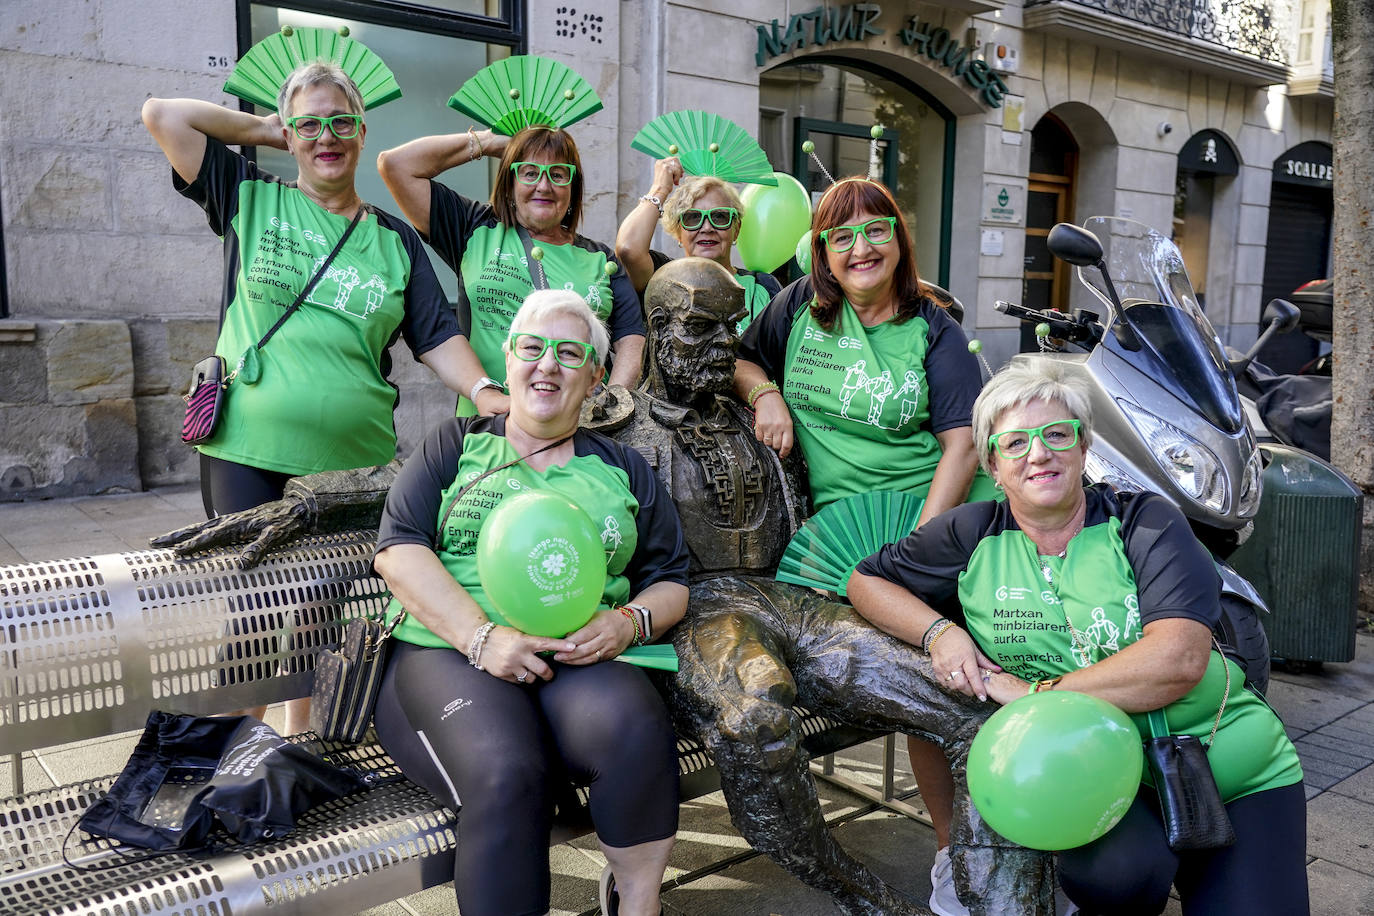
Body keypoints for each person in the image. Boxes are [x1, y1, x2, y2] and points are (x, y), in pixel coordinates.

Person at [152, 259, 1058, 916]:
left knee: (955, 700)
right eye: (687, 327)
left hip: (751, 605)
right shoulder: (571, 432)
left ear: (591, 372)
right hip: (603, 632)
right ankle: (859, 890)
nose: (713, 344)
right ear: (646, 344)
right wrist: (302, 506)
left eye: (726, 327)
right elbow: (396, 522)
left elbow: (874, 437)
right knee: (696, 730)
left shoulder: (746, 421)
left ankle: (990, 894)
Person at [849, 360, 1308, 916]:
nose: (1038, 454)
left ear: (1084, 447)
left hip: (1228, 764)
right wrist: (940, 632)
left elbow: (1178, 659)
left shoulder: (1145, 521)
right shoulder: (970, 533)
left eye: (1056, 434)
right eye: (1014, 443)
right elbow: (866, 581)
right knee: (1113, 879)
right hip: (1107, 779)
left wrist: (1037, 695)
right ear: (993, 464)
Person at [142, 60, 479, 730]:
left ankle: (293, 751)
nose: (327, 136)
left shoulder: (393, 240)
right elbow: (163, 115)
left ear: (361, 131)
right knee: (256, 616)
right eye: (310, 125)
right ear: (291, 137)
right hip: (248, 447)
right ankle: (224, 761)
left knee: (317, 614)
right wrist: (265, 129)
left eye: (341, 122)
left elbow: (438, 337)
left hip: (348, 464)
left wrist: (489, 390)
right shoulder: (249, 195)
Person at [370, 289, 689, 916]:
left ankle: (637, 903)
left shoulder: (622, 467)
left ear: (595, 377)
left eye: (570, 354)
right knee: (510, 775)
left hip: (580, 656)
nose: (548, 365)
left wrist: (629, 622)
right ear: (509, 359)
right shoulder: (454, 447)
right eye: (533, 348)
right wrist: (483, 638)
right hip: (449, 655)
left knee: (637, 732)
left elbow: (672, 577)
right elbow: (397, 553)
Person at [735, 176, 997, 913]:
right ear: (820, 249)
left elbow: (960, 446)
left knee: (970, 670)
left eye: (875, 230)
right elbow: (744, 357)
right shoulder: (797, 310)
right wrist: (768, 394)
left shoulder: (932, 328)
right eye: (841, 235)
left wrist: (920, 545)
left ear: (898, 240)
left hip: (937, 520)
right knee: (928, 677)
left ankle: (981, 852)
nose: (860, 247)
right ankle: (958, 850)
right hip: (844, 544)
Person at [377, 125, 645, 415]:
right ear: (510, 182)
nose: (544, 185)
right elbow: (396, 166)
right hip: (489, 426)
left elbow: (631, 340)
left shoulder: (600, 258)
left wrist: (609, 409)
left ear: (573, 188)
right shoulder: (473, 227)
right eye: (529, 172)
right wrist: (491, 143)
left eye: (558, 175)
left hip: (578, 431)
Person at [615, 158, 780, 331]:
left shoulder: (762, 287)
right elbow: (628, 249)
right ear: (679, 232)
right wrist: (660, 189)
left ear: (736, 229)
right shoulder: (662, 278)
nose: (707, 227)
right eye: (693, 217)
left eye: (719, 217)